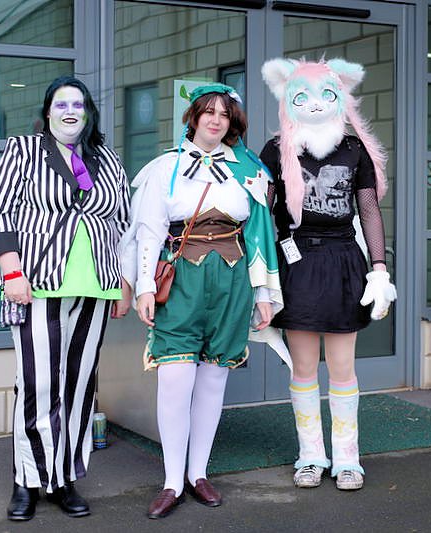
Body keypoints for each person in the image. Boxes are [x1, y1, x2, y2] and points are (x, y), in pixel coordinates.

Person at [119, 83, 283, 519]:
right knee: (175, 380)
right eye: (208, 112)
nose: (215, 120)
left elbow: (259, 235)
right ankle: (172, 480)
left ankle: (199, 473)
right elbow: (149, 230)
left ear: (232, 123)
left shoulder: (248, 171)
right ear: (193, 117)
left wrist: (264, 294)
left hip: (232, 281)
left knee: (213, 381)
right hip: (182, 281)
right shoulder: (165, 168)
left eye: (224, 114)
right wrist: (145, 287)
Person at [0, 75, 132, 521]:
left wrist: (123, 283)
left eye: (78, 104)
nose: (70, 112)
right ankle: (27, 480)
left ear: (88, 112)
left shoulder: (107, 159)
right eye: (62, 104)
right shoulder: (23, 151)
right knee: (38, 385)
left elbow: (123, 224)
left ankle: (64, 477)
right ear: (48, 111)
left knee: (79, 385)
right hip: (37, 285)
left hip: (96, 286)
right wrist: (12, 271)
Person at [260, 58, 397, 491]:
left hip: (343, 262)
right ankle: (310, 456)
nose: (316, 104)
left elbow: (369, 210)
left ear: (341, 98)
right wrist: (258, 275)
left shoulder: (354, 149)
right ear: (288, 99)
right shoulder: (276, 149)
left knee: (342, 367)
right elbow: (261, 213)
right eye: (303, 96)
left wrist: (379, 270)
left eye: (326, 95)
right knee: (302, 367)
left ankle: (348, 459)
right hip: (295, 262)